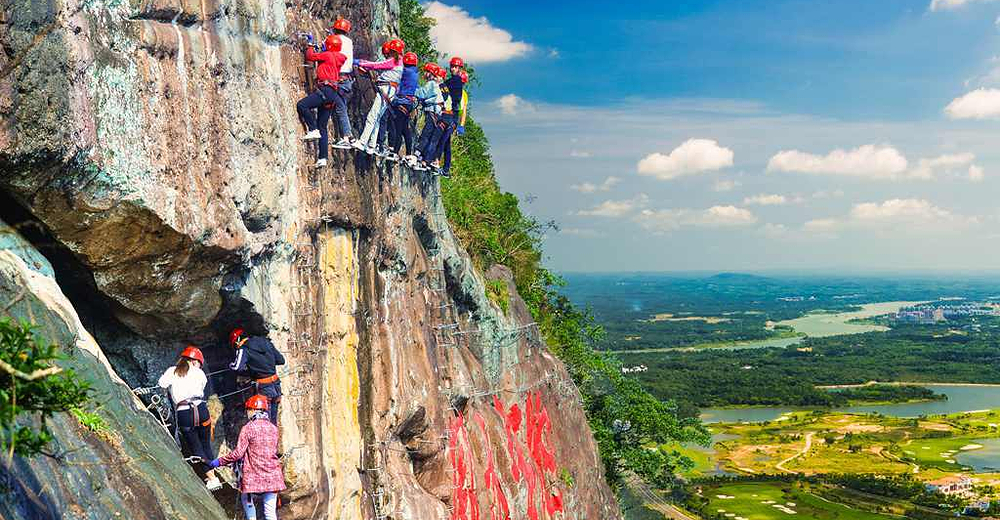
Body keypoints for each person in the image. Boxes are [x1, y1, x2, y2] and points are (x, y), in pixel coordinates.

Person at [208, 394, 285, 520]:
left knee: (247, 499)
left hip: (253, 476)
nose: (247, 413)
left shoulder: (248, 428)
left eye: (248, 410)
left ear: (254, 410)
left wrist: (218, 462)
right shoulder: (273, 428)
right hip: (273, 475)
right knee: (270, 513)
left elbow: (238, 453)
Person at [158, 346, 221, 490]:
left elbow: (161, 384)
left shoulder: (172, 371)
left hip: (184, 412)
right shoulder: (199, 373)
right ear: (194, 361)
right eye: (199, 362)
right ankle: (212, 475)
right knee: (205, 444)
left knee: (195, 446)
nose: (199, 365)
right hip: (201, 408)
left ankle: (211, 478)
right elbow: (202, 386)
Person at [296, 34, 347, 168]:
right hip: (332, 93)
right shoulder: (339, 57)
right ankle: (323, 157)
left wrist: (311, 45)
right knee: (322, 126)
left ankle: (312, 129)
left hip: (325, 90)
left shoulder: (328, 55)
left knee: (302, 105)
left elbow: (311, 56)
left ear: (329, 45)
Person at [352, 38, 405, 155]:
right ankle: (371, 145)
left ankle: (362, 142)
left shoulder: (394, 61)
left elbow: (376, 65)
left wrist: (358, 62)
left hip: (386, 89)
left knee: (372, 116)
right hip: (390, 91)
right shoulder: (400, 63)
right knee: (377, 118)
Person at [229, 328, 286, 425]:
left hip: (263, 387)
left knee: (264, 421)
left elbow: (237, 367)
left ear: (237, 341)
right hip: (276, 385)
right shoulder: (266, 342)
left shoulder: (244, 349)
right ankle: (274, 440)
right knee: (273, 421)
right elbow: (281, 360)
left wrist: (231, 366)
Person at [419, 56, 465, 175]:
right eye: (452, 66)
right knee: (445, 142)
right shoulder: (453, 81)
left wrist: (439, 83)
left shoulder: (456, 81)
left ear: (460, 69)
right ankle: (442, 167)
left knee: (439, 139)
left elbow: (446, 92)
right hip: (451, 117)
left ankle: (431, 161)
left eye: (456, 67)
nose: (453, 69)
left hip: (450, 116)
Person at [409, 63, 444, 169]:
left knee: (425, 134)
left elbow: (422, 94)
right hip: (437, 113)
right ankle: (422, 158)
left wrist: (410, 90)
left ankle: (416, 156)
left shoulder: (431, 84)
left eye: (426, 71)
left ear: (430, 73)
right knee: (429, 136)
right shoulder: (435, 85)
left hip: (432, 112)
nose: (424, 74)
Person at [385, 52, 420, 162]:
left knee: (397, 127)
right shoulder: (415, 73)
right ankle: (409, 153)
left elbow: (395, 71)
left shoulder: (405, 71)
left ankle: (394, 152)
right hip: (408, 104)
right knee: (405, 129)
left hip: (401, 102)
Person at [329, 17, 356, 149]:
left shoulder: (334, 39)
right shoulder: (349, 42)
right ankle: (347, 136)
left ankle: (346, 136)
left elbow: (327, 49)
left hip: (337, 77)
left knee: (340, 108)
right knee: (341, 107)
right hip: (347, 79)